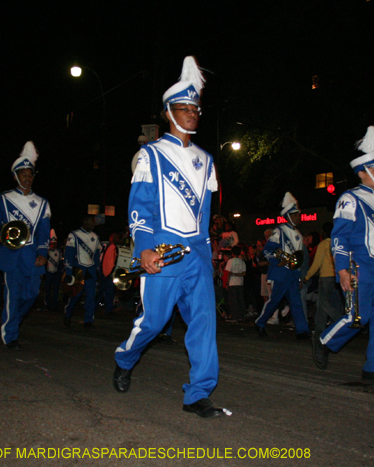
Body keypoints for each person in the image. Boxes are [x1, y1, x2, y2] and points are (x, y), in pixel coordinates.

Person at [113, 56, 225, 418]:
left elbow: (204, 214)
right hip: (162, 251)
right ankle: (126, 358)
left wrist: (207, 254)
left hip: (196, 254)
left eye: (196, 106)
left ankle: (198, 393)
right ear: (169, 113)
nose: (193, 112)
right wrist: (143, 248)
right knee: (154, 322)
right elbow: (139, 205)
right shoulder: (151, 155)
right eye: (184, 107)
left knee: (205, 322)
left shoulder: (207, 160)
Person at [314, 126, 374, 383]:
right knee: (358, 317)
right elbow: (339, 237)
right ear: (363, 172)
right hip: (358, 266)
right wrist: (341, 269)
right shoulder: (350, 198)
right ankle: (325, 341)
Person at [0, 141, 51, 350]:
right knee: (12, 297)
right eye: (23, 174)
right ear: (15, 176)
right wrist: (0, 237)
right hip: (12, 254)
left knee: (31, 294)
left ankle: (13, 320)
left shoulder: (42, 203)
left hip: (31, 255)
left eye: (30, 174)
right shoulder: (3, 199)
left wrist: (43, 252)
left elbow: (43, 231)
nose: (28, 178)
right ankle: (10, 336)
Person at [254, 192, 311, 339]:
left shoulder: (298, 234)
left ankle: (302, 330)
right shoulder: (279, 231)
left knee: (296, 302)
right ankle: (260, 323)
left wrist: (298, 277)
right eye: (296, 214)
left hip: (292, 273)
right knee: (274, 301)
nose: (299, 217)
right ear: (289, 216)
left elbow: (298, 259)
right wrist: (276, 261)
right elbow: (267, 249)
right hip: (281, 272)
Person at [304, 222, 343, 335]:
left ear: (324, 232)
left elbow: (316, 264)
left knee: (323, 302)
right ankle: (319, 328)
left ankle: (340, 320)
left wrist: (307, 277)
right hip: (336, 276)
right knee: (325, 304)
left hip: (325, 277)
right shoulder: (337, 243)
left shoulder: (323, 244)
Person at [63, 216, 101, 328]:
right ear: (84, 222)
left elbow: (97, 256)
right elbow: (68, 255)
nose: (93, 225)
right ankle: (68, 313)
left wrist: (97, 270)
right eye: (91, 222)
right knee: (76, 295)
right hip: (78, 269)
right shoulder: (74, 235)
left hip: (90, 270)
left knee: (91, 296)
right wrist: (69, 272)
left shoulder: (95, 237)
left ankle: (88, 320)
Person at [223, 245, 246, 321]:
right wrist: (237, 274)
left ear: (232, 253)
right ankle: (241, 316)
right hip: (240, 283)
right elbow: (244, 273)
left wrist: (226, 283)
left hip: (232, 283)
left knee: (233, 301)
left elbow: (228, 273)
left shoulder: (230, 261)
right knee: (240, 300)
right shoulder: (242, 261)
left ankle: (234, 317)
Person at [43, 229, 62, 312]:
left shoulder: (59, 252)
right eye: (52, 244)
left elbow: (60, 262)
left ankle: (54, 304)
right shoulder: (46, 252)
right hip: (48, 273)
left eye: (54, 244)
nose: (53, 245)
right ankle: (47, 304)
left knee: (55, 289)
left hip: (56, 273)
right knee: (47, 289)